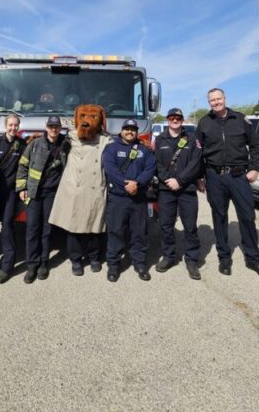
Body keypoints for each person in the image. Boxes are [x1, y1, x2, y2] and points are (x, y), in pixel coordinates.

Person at [196, 88, 259, 276]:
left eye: (218, 99)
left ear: (225, 98)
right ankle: (224, 258)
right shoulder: (204, 123)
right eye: (212, 100)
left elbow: (254, 145)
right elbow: (198, 152)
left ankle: (252, 257)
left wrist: (254, 168)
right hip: (214, 176)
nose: (216, 102)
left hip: (239, 175)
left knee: (247, 216)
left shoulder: (240, 119)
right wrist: (200, 176)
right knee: (219, 216)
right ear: (209, 102)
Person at [49, 104, 110, 277]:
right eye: (82, 117)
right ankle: (75, 259)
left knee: (95, 225)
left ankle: (94, 257)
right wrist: (35, 138)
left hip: (95, 188)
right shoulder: (70, 137)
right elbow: (52, 142)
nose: (86, 122)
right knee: (74, 226)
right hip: (74, 188)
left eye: (93, 117)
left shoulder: (105, 140)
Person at [102, 119, 156, 282]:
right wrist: (127, 184)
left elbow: (150, 168)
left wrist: (137, 183)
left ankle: (140, 263)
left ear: (136, 132)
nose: (130, 132)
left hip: (138, 198)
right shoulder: (111, 148)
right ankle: (113, 265)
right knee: (115, 231)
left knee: (139, 232)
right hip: (118, 198)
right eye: (127, 129)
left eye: (133, 129)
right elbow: (110, 169)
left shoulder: (144, 150)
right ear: (121, 131)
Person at [154, 108, 203, 280]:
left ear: (182, 121)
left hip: (187, 189)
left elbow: (196, 163)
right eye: (172, 118)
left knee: (190, 226)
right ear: (167, 120)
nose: (175, 121)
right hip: (166, 189)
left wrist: (180, 180)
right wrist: (168, 180)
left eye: (178, 118)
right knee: (166, 225)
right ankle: (169, 256)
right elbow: (157, 163)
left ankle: (191, 260)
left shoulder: (192, 138)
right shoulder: (159, 139)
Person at [16, 116, 66, 283]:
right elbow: (23, 165)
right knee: (32, 229)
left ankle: (44, 263)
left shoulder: (66, 145)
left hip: (53, 194)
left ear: (60, 128)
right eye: (51, 126)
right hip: (34, 193)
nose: (53, 129)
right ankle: (32, 265)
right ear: (46, 128)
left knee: (47, 230)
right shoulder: (35, 144)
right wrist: (22, 188)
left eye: (56, 126)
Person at [0, 114, 25, 283]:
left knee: (8, 226)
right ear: (5, 125)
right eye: (10, 125)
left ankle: (7, 267)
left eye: (16, 125)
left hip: (10, 193)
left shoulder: (22, 145)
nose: (13, 128)